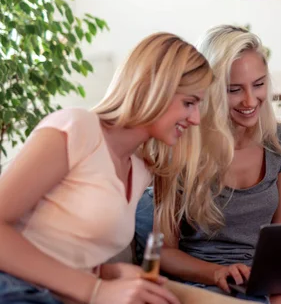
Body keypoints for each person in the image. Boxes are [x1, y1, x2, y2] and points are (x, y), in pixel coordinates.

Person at [0, 32, 213, 304]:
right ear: (155, 88)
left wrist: (107, 273)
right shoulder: (77, 128)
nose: (195, 119)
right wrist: (95, 289)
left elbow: (65, 247)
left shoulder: (140, 170)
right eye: (189, 103)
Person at [136, 25, 281, 304]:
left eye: (259, 85)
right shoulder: (180, 147)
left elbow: (280, 235)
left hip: (261, 279)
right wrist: (217, 272)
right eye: (234, 90)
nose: (250, 101)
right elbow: (164, 252)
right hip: (203, 281)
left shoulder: (279, 142)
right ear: (208, 90)